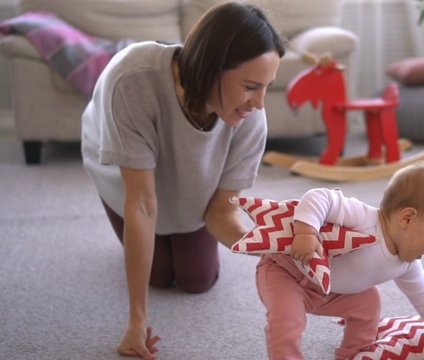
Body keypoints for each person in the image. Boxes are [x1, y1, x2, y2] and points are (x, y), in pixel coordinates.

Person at [81, 2, 285, 359]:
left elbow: (221, 213)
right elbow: (142, 204)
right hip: (129, 187)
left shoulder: (251, 117)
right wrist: (136, 320)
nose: (259, 103)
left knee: (196, 280)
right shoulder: (132, 79)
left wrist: (273, 251)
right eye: (251, 86)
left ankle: (163, 240)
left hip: (192, 194)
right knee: (157, 278)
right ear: (211, 68)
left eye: (267, 87)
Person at [255, 161, 424, 360]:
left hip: (329, 291)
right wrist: (306, 233)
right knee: (287, 321)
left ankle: (355, 353)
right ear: (407, 218)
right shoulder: (365, 219)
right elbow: (320, 197)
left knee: (369, 302)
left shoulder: (407, 264)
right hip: (286, 273)